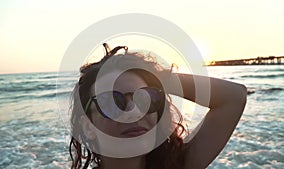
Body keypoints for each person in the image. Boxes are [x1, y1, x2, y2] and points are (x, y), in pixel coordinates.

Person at [69, 43, 247, 169]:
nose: (134, 112)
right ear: (88, 126)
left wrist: (157, 78)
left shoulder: (179, 165)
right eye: (112, 102)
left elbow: (234, 96)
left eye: (144, 99)